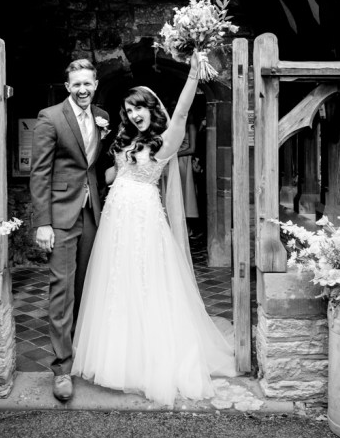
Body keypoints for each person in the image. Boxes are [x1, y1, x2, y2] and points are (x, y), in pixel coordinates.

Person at [72, 50, 235, 406]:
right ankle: (117, 356)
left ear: (152, 108)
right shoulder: (126, 139)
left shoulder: (165, 140)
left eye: (139, 107)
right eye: (128, 109)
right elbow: (112, 175)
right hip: (116, 216)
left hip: (144, 216)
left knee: (146, 279)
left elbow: (182, 112)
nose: (134, 114)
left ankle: (150, 357)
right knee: (117, 279)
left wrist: (193, 75)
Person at [31, 58, 110, 403]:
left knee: (86, 287)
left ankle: (83, 352)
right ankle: (62, 369)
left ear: (95, 85)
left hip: (92, 213)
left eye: (87, 83)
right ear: (67, 87)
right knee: (62, 291)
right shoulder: (50, 117)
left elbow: (96, 165)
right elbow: (40, 173)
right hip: (61, 216)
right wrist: (43, 223)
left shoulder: (102, 116)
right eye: (76, 84)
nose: (82, 90)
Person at [177, 112, 200, 239]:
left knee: (187, 194)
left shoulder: (191, 126)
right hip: (177, 162)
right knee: (179, 193)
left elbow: (192, 149)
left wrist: (174, 154)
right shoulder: (177, 126)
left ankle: (189, 228)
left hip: (185, 161)